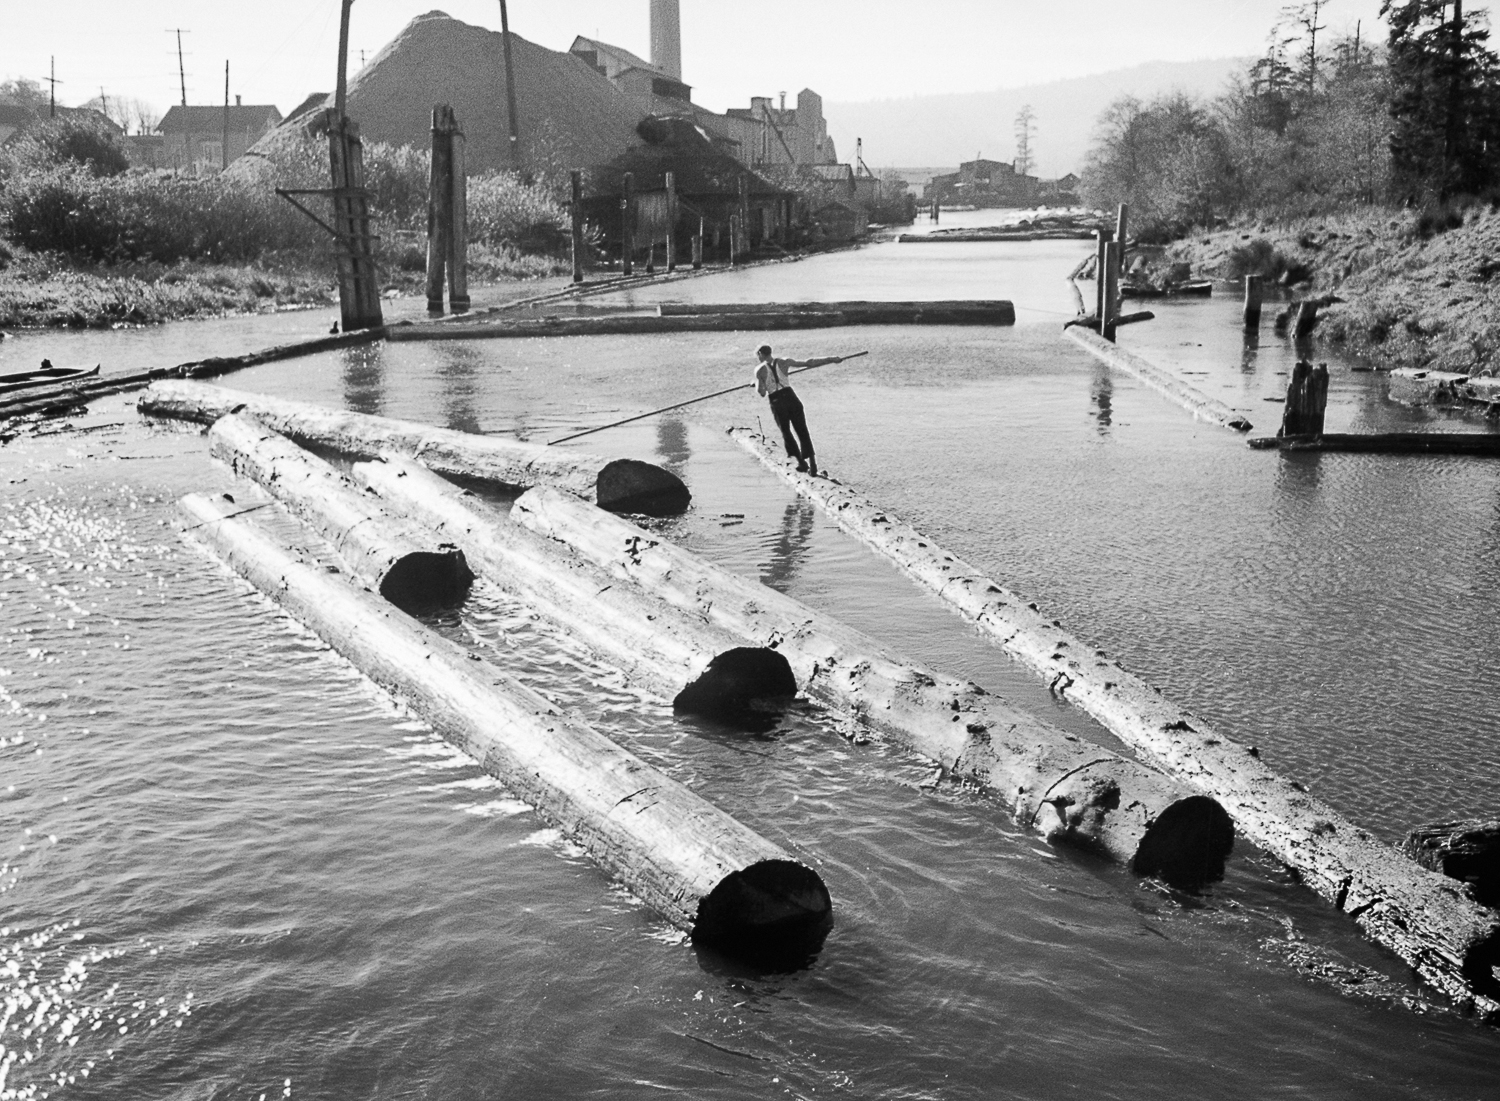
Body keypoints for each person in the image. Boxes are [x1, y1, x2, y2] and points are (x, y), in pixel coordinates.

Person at [754, 345, 843, 476]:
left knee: (786, 432)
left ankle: (802, 463)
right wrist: (831, 359)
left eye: (758, 355)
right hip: (791, 398)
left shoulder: (759, 370)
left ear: (761, 354)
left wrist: (756, 383)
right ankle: (813, 464)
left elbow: (762, 392)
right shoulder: (784, 361)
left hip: (777, 401)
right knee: (802, 430)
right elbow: (809, 362)